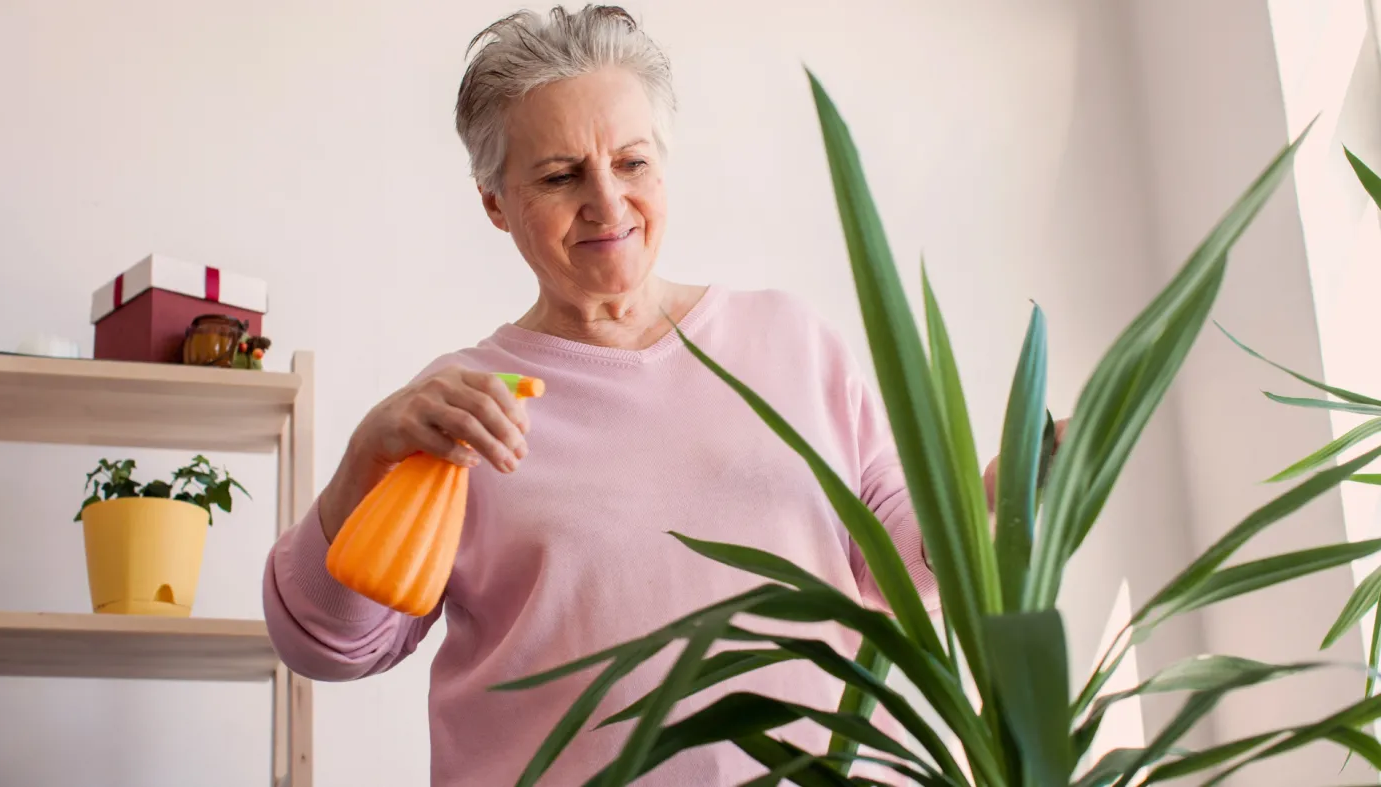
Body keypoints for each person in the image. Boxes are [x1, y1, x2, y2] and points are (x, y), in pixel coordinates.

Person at [262, 5, 1061, 785]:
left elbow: (899, 562)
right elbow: (332, 648)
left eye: (632, 162)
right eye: (560, 175)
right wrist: (367, 457)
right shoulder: (460, 407)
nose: (608, 204)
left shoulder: (789, 340)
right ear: (495, 203)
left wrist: (1005, 492)